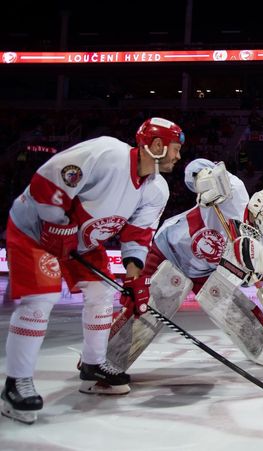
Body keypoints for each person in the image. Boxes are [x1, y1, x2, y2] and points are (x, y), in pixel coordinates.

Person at [2, 117, 184, 424]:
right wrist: (56, 223)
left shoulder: (157, 191)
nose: (178, 156)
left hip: (81, 242)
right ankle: (15, 384)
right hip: (34, 230)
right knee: (41, 299)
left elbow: (136, 236)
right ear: (155, 146)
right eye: (175, 149)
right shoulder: (106, 154)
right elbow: (47, 181)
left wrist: (134, 277)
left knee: (102, 293)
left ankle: (93, 365)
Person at [105, 158, 263, 371]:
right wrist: (203, 178)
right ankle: (104, 358)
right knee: (142, 302)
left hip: (205, 271)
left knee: (225, 299)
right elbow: (195, 167)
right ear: (258, 202)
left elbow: (249, 281)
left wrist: (249, 270)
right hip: (170, 249)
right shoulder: (235, 191)